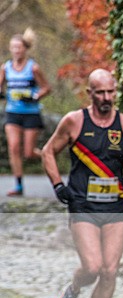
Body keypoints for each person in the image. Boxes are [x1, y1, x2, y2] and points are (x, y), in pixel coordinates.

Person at [42, 69, 123, 298]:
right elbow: (48, 151)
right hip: (83, 204)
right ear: (90, 94)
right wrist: (58, 185)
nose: (107, 98)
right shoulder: (74, 122)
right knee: (93, 267)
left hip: (115, 206)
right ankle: (73, 290)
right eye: (100, 93)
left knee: (109, 271)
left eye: (111, 92)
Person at [1, 28, 51, 196]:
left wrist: (35, 96)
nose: (16, 50)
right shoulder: (6, 68)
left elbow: (46, 88)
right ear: (10, 49)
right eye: (13, 47)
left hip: (31, 113)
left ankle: (47, 156)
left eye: (19, 47)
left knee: (28, 153)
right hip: (12, 112)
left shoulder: (33, 68)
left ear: (25, 48)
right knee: (14, 147)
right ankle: (19, 185)